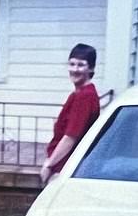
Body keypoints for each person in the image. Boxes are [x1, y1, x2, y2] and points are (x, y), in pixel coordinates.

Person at [40, 43, 99, 186]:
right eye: (72, 64)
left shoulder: (85, 97)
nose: (75, 69)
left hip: (67, 168)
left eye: (81, 65)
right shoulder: (79, 93)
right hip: (65, 165)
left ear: (90, 68)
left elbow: (70, 138)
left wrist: (49, 164)